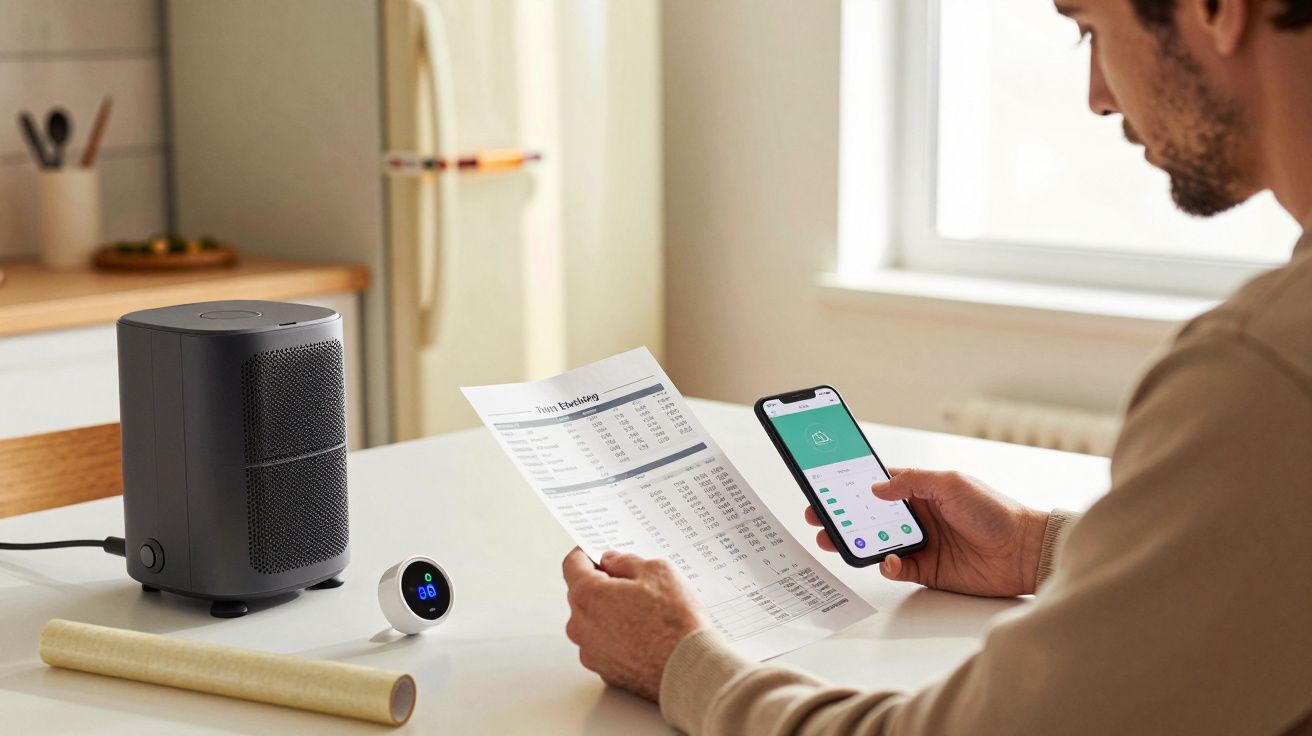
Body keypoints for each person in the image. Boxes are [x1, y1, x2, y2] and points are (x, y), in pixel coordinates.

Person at [561, 0, 1312, 733]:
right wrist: (1034, 548)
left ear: (1216, 8)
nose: (1097, 97)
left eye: (1088, 28)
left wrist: (678, 661)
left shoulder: (1263, 373)